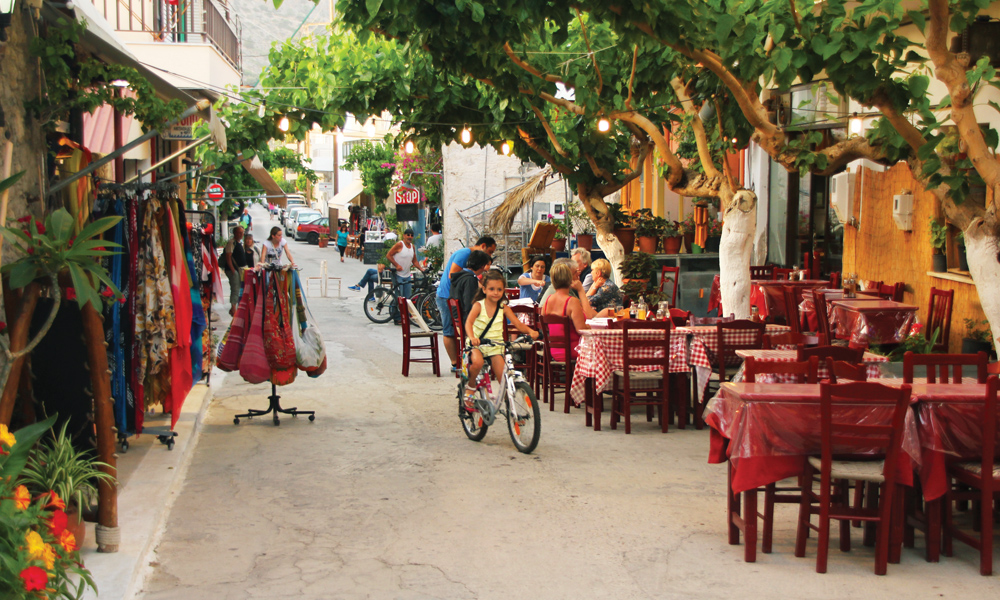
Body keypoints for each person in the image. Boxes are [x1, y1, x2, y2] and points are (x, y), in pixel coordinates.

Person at [462, 269, 539, 409]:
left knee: (503, 377)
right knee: (477, 363)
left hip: (496, 346)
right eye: (492, 289)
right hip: (477, 344)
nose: (496, 292)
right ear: (484, 289)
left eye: (499, 289)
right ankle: (471, 386)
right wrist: (472, 337)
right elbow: (468, 323)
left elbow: (518, 324)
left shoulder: (504, 307)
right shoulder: (479, 305)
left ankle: (512, 410)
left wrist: (530, 331)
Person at [436, 236, 497, 372]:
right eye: (490, 252)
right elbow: (453, 274)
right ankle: (456, 363)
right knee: (449, 331)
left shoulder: (468, 275)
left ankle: (463, 362)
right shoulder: (465, 254)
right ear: (482, 246)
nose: (489, 256)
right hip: (446, 295)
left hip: (454, 296)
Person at [540, 260, 591, 362]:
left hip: (553, 351)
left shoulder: (547, 301)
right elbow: (581, 330)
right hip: (574, 350)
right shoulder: (572, 302)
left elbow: (544, 327)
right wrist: (590, 327)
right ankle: (589, 377)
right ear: (569, 279)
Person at [449, 250, 492, 321]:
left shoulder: (460, 276)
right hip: (467, 321)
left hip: (458, 319)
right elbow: (470, 304)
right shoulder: (469, 280)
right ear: (482, 266)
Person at [386, 228, 424, 300]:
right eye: (408, 235)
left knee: (407, 298)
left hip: (407, 275)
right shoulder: (400, 244)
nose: (410, 237)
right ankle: (395, 310)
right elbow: (388, 255)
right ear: (404, 236)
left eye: (412, 235)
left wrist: (421, 269)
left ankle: (405, 311)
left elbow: (414, 261)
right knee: (399, 297)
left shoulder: (412, 247)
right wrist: (397, 265)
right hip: (397, 274)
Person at [222, 226, 247, 315]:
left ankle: (234, 308)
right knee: (235, 288)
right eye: (239, 232)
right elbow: (228, 256)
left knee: (238, 288)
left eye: (242, 232)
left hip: (238, 270)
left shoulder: (239, 243)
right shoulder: (231, 243)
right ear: (235, 233)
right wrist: (232, 270)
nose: (241, 234)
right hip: (233, 270)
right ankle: (233, 309)